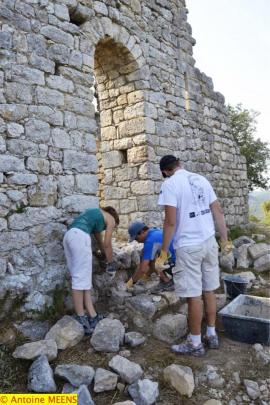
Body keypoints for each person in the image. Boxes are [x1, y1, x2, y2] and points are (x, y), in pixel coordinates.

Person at [156, 155, 233, 356]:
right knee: (209, 290)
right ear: (180, 164)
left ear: (165, 171)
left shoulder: (170, 184)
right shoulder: (200, 179)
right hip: (209, 242)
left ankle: (195, 343)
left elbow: (170, 222)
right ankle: (211, 334)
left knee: (193, 297)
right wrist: (224, 239)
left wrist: (164, 253)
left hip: (189, 246)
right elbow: (218, 210)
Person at [63, 206, 119, 335]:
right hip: (80, 238)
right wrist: (111, 263)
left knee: (82, 278)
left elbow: (100, 243)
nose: (109, 228)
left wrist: (105, 256)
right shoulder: (111, 219)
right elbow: (107, 243)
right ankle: (81, 317)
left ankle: (92, 315)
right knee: (80, 279)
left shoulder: (95, 216)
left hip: (69, 236)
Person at [126, 221, 175, 292]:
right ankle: (165, 279)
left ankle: (167, 282)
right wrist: (145, 276)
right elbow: (149, 263)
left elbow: (142, 268)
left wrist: (131, 282)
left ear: (142, 232)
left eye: (136, 238)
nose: (137, 241)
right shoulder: (154, 231)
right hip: (182, 260)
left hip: (178, 266)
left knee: (154, 260)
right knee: (152, 257)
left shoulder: (149, 242)